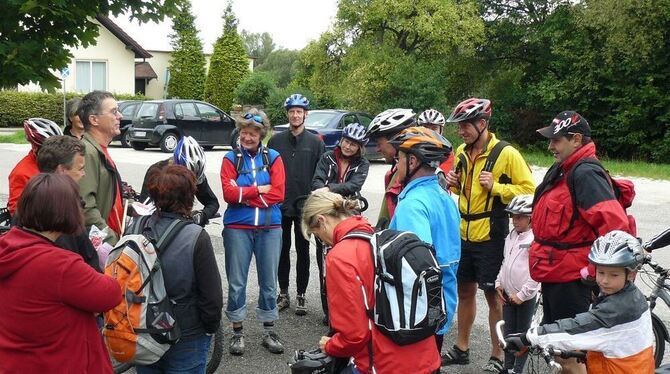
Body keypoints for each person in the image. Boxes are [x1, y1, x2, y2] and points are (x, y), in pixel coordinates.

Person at [529, 111, 631, 373]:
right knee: (561, 351)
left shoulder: (584, 174)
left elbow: (615, 228)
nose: (551, 145)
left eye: (557, 140)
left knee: (572, 355)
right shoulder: (564, 169)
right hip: (555, 275)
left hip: (574, 280)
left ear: (576, 139)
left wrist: (595, 275)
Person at [301, 191, 441, 374]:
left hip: (383, 365)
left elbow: (354, 336)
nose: (322, 241)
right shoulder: (381, 237)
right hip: (426, 357)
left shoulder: (340, 257)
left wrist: (330, 346)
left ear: (321, 220)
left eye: (317, 234)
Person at [442, 98, 535, 372]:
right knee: (464, 291)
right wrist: (455, 185)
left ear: (482, 124)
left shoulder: (506, 153)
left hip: (491, 235)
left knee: (493, 296)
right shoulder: (461, 151)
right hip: (465, 232)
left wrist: (497, 188)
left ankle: (497, 355)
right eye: (459, 127)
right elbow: (466, 192)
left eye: (465, 126)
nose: (460, 132)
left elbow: (530, 191)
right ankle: (462, 348)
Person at [0, 173, 121, 372]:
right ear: (66, 211)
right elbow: (111, 294)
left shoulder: (7, 247)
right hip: (59, 363)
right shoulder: (60, 265)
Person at [505, 230, 654, 374]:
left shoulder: (619, 309)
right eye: (600, 272)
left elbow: (575, 328)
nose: (604, 280)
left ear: (631, 274)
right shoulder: (630, 295)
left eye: (613, 275)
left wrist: (528, 338)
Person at [136, 164, 223, 374]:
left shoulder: (136, 226)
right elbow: (211, 297)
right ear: (189, 196)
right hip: (186, 331)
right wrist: (209, 329)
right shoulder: (195, 236)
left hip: (144, 327)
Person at [386, 127, 461, 364]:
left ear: (413, 160)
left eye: (399, 158)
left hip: (417, 311)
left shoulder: (413, 204)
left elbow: (415, 263)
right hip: (442, 302)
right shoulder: (442, 195)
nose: (396, 165)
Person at [221, 109, 286, 356]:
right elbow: (228, 194)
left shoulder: (275, 158)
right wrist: (259, 191)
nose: (248, 137)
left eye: (253, 133)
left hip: (270, 228)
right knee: (237, 283)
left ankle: (269, 330)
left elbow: (279, 193)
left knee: (269, 282)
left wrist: (244, 194)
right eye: (244, 132)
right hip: (238, 228)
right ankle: (237, 332)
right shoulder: (230, 159)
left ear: (262, 134)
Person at [268, 93, 325, 316]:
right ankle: (283, 293)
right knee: (280, 251)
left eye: (299, 111)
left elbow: (320, 174)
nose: (295, 115)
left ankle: (301, 294)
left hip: (304, 206)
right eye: (291, 111)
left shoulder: (315, 142)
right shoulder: (275, 141)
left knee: (303, 252)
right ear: (287, 114)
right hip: (280, 206)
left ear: (305, 115)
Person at [311, 122, 371, 324]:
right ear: (341, 140)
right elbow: (316, 182)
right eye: (346, 141)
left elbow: (354, 185)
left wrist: (328, 190)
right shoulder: (327, 157)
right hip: (325, 215)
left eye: (353, 144)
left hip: (349, 216)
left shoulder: (363, 164)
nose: (348, 146)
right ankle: (329, 312)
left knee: (348, 265)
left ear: (359, 147)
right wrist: (328, 191)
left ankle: (348, 309)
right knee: (326, 266)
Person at [36, 135, 100, 271]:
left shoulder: (28, 206)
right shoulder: (62, 215)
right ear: (62, 170)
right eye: (80, 168)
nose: (84, 174)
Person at [494, 194, 539, 374]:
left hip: (524, 297)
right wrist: (499, 281)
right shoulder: (511, 236)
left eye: (519, 217)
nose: (515, 220)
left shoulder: (534, 240)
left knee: (522, 336)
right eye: (513, 216)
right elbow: (506, 261)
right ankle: (508, 367)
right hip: (508, 294)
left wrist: (522, 295)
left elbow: (536, 273)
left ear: (531, 218)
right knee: (508, 334)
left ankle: (518, 370)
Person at [139, 136, 220, 227]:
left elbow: (212, 203)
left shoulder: (197, 174)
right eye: (185, 177)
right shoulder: (157, 171)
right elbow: (144, 209)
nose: (189, 180)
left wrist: (202, 216)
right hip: (157, 223)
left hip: (183, 224)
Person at [78, 90, 124, 245]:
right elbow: (86, 208)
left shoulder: (98, 149)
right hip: (103, 248)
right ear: (94, 120)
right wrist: (112, 241)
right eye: (114, 112)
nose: (120, 116)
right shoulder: (87, 152)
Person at [364, 108, 415, 228]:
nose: (377, 149)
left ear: (396, 140)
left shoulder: (417, 177)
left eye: (379, 143)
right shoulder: (394, 173)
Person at [7, 118, 63, 215]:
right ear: (35, 148)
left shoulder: (58, 163)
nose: (56, 153)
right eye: (50, 150)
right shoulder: (21, 173)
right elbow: (17, 211)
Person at [417, 108, 455, 173]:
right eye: (425, 127)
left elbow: (444, 176)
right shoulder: (411, 147)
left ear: (441, 131)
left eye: (434, 128)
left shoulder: (446, 151)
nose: (429, 131)